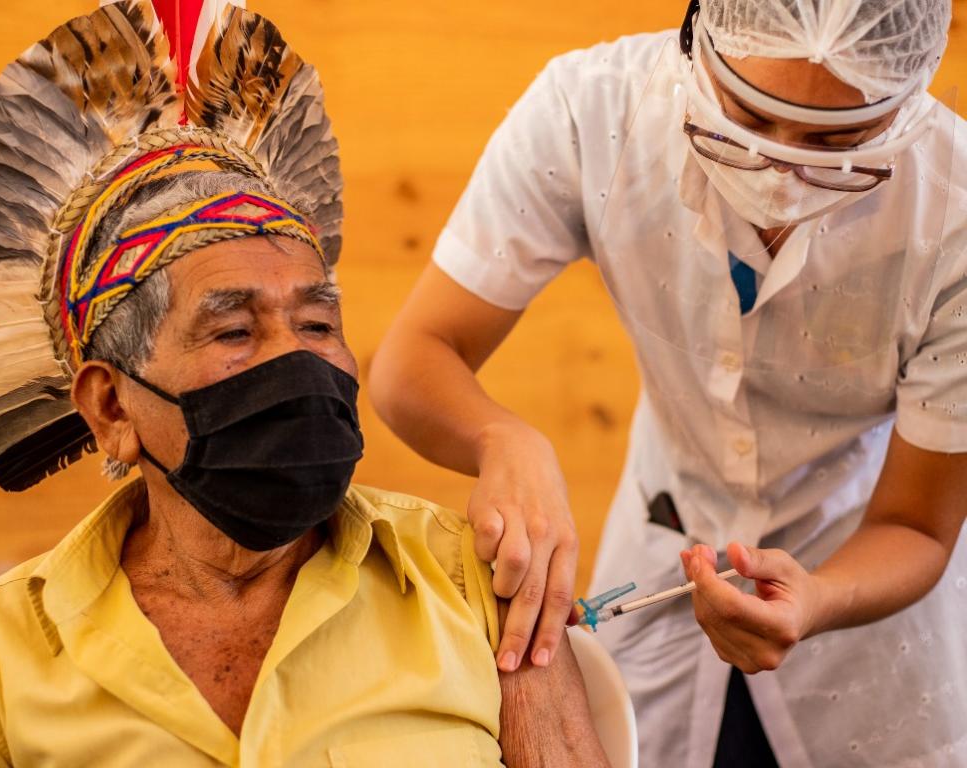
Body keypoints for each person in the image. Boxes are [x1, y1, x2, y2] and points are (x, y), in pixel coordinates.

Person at [0, 3, 610, 766]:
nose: (297, 360)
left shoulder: (470, 584)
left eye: (318, 324)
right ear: (112, 405)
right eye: (234, 331)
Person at [369, 0, 967, 765]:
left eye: (835, 144)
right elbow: (414, 359)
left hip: (868, 601)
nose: (780, 174)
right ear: (699, 41)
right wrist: (503, 440)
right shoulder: (593, 111)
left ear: (906, 102)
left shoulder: (951, 215)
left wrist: (822, 599)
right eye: (744, 118)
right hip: (662, 542)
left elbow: (917, 526)